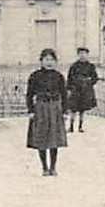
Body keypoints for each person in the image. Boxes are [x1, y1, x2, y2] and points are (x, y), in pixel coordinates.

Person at [26, 48, 68, 176]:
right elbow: (29, 95)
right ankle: (44, 167)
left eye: (51, 60)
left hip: (55, 108)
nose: (49, 62)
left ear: (55, 62)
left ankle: (53, 167)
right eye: (46, 59)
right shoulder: (35, 76)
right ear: (41, 61)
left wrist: (64, 111)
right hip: (41, 108)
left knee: (54, 138)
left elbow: (64, 95)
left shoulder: (59, 76)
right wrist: (31, 110)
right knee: (42, 138)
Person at [66, 46, 99, 133]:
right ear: (78, 55)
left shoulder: (91, 66)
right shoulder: (74, 66)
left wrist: (89, 82)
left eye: (84, 53)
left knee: (82, 109)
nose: (82, 55)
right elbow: (69, 78)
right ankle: (71, 126)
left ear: (87, 55)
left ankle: (80, 126)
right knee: (73, 109)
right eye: (81, 53)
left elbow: (95, 78)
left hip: (85, 90)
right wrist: (69, 89)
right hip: (75, 90)